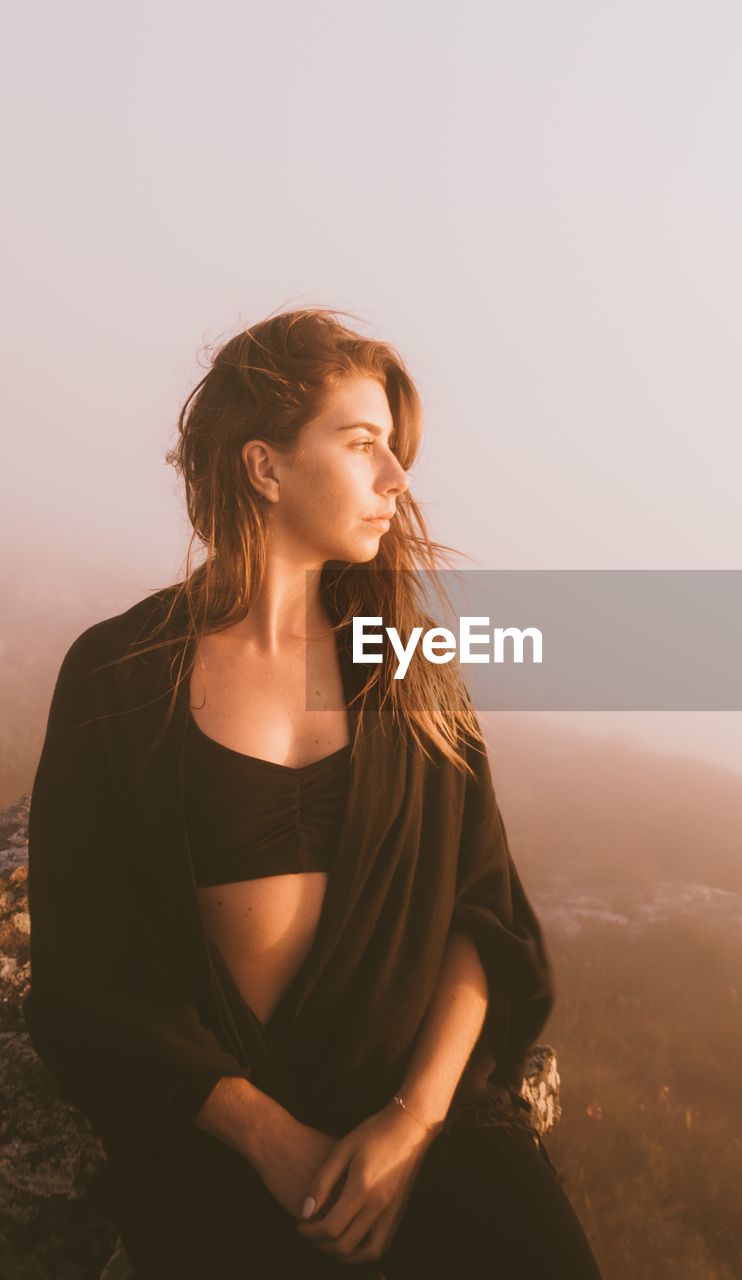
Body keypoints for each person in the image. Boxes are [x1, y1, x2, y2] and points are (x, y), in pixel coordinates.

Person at [24, 307, 605, 1279]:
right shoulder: (121, 674)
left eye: (396, 449)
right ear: (265, 465)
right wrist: (260, 1131)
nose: (397, 479)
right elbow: (91, 964)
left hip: (424, 1117)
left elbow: (484, 917)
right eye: (363, 443)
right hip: (220, 1134)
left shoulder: (409, 669)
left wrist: (412, 1123)